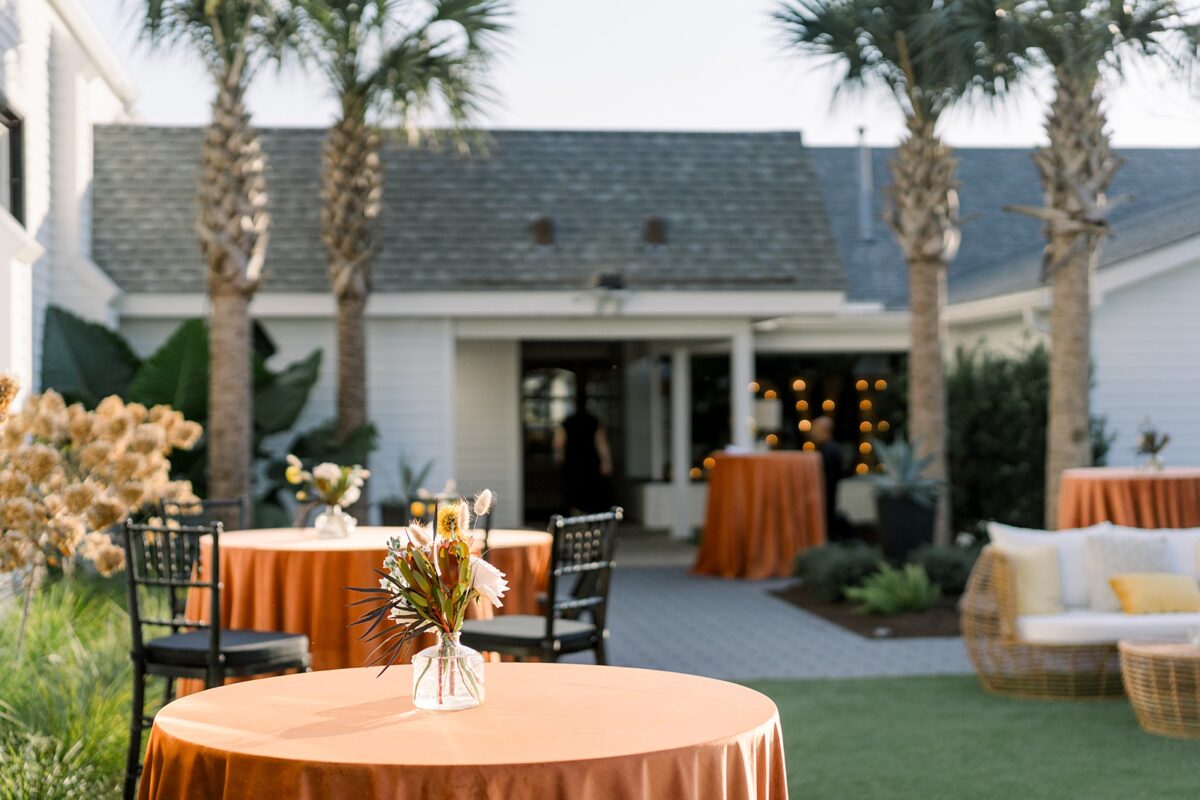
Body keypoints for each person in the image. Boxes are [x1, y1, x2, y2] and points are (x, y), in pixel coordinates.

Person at [553, 387, 614, 514]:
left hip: (574, 461)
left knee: (574, 491)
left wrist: (560, 456)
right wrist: (606, 462)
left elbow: (558, 442)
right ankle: (586, 517)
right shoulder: (593, 421)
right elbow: (601, 443)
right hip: (589, 461)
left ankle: (576, 517)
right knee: (589, 492)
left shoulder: (568, 422)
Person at [810, 416, 849, 539]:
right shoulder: (827, 449)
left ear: (824, 430)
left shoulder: (830, 450)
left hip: (826, 494)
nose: (812, 432)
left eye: (815, 429)